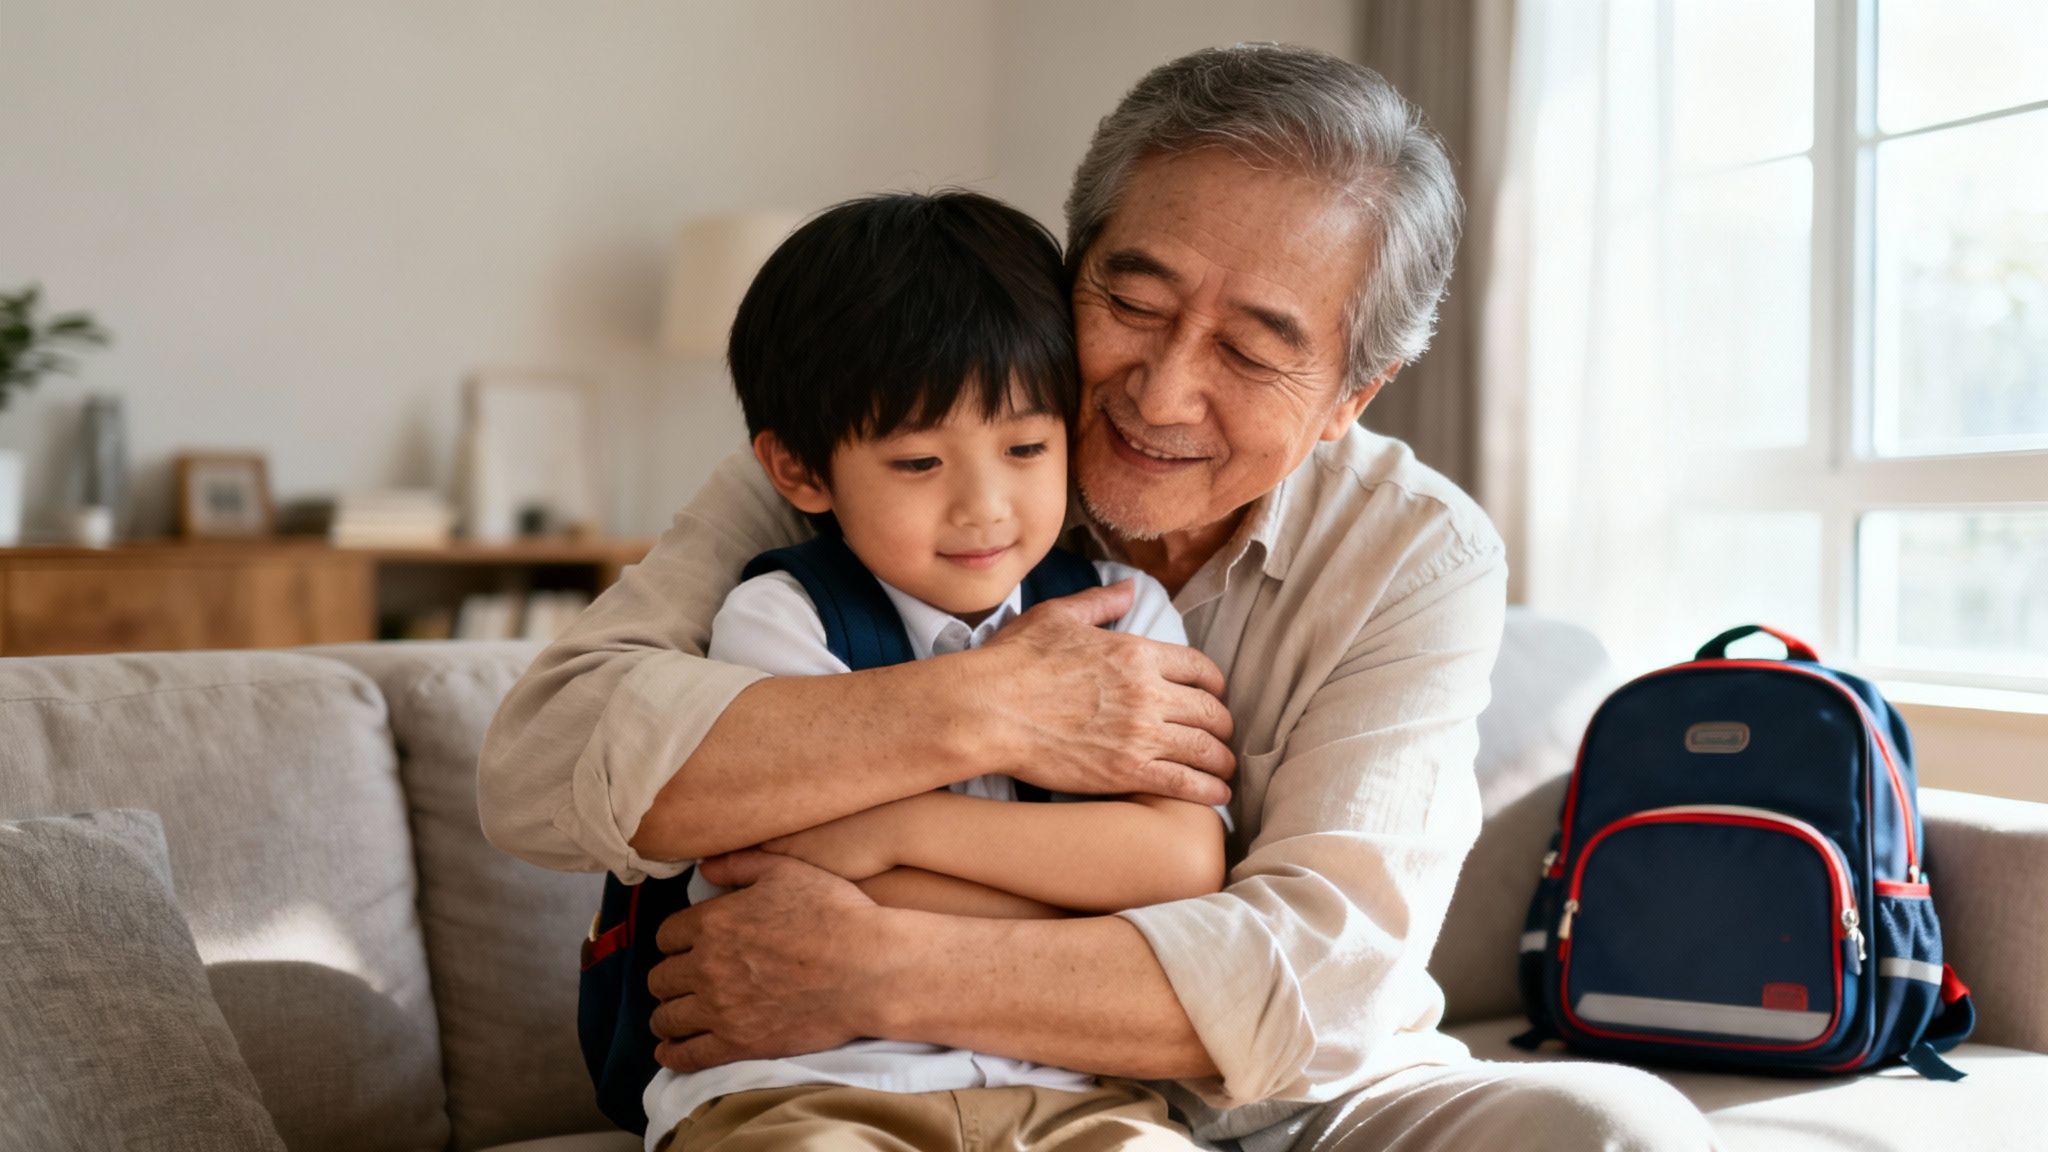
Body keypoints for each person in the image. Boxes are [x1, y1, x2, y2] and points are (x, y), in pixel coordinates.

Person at [480, 43, 1716, 1152]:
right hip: (877, 1086)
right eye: (1130, 303)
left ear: (1352, 393)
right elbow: (541, 769)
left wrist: (880, 968)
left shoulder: (1415, 553)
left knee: (1615, 1131)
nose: (1160, 391)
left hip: (1290, 1100)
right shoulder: (891, 460)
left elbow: (1318, 980)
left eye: (1248, 348)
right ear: (1066, 269)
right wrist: (983, 709)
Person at [632, 189, 1226, 1149]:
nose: (985, 509)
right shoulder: (783, 620)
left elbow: (1184, 865)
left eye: (1026, 446)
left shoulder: (1124, 612)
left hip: (1075, 1095)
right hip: (805, 1086)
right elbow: (789, 885)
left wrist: (894, 831)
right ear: (799, 471)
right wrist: (1088, 907)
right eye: (918, 464)